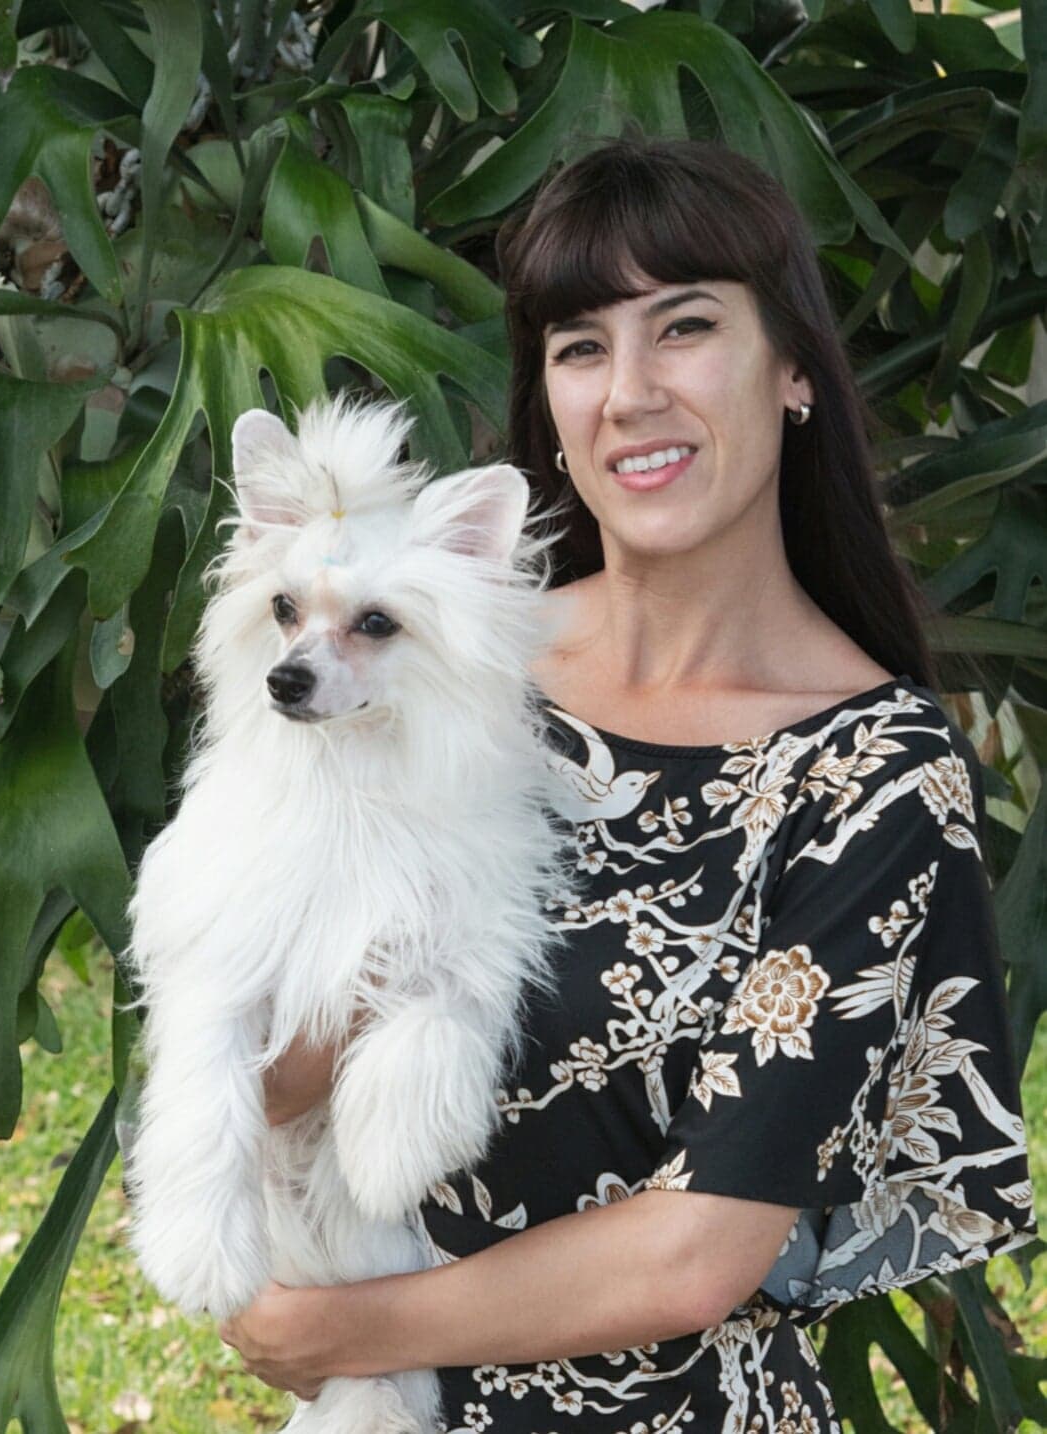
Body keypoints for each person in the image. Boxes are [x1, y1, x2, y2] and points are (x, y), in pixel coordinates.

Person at [218, 137, 1038, 1432]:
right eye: (582, 344)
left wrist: (342, 1328)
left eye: (688, 325)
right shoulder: (424, 663)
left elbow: (700, 1245)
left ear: (798, 373)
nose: (633, 391)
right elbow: (258, 1043)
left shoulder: (873, 777)